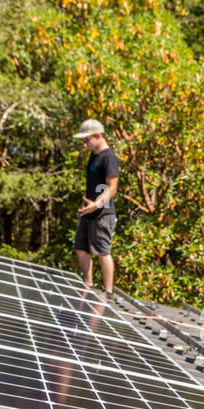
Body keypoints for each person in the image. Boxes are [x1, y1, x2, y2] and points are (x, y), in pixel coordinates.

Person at [72, 118, 119, 294]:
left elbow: (112, 188)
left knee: (102, 251)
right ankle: (88, 284)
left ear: (98, 136)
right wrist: (86, 207)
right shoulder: (94, 156)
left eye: (86, 139)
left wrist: (97, 205)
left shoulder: (109, 158)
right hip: (88, 211)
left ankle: (108, 293)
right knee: (80, 247)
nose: (84, 143)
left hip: (102, 213)